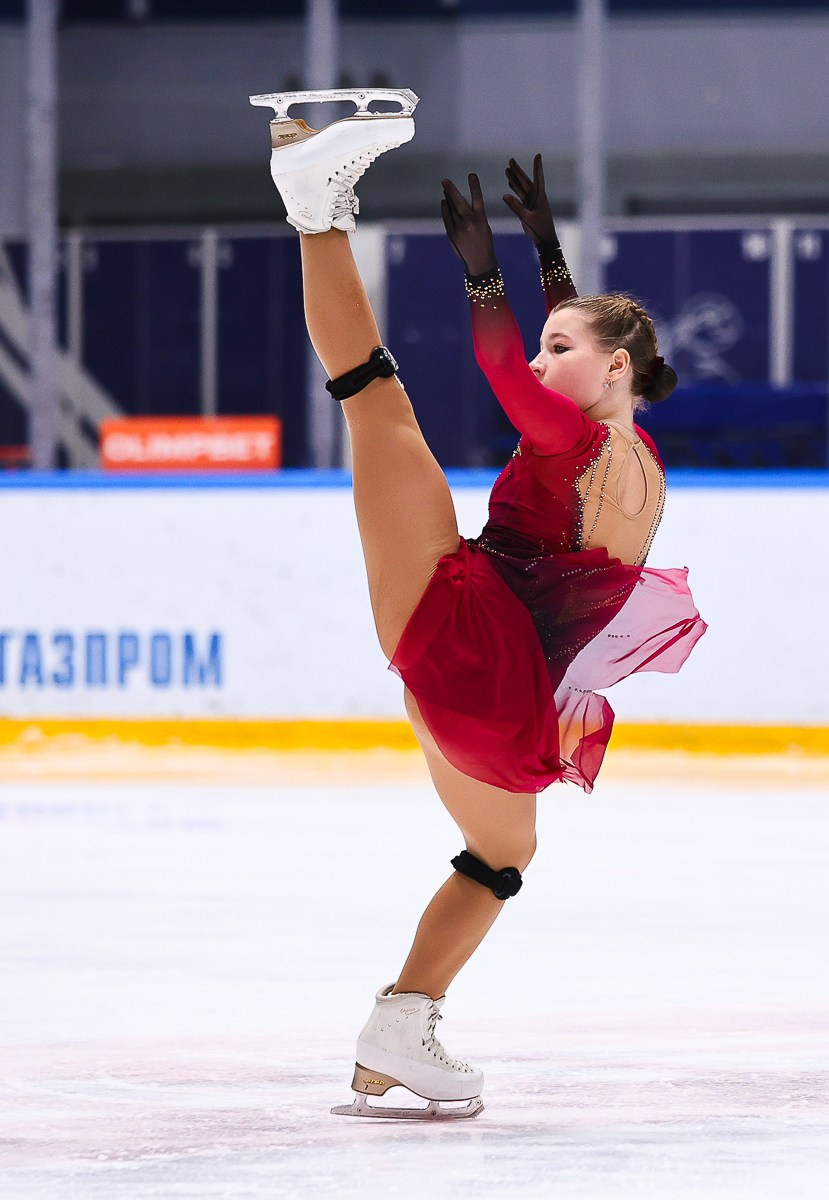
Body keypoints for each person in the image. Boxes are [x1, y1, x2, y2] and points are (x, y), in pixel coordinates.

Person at [251, 89, 707, 1120]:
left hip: (464, 623)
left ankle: (313, 205)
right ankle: (400, 1028)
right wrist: (550, 250)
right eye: (547, 345)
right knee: (505, 855)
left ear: (613, 366)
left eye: (562, 349)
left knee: (374, 394)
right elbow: (585, 342)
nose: (543, 361)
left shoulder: (569, 438)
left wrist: (487, 275)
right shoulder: (633, 447)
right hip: (503, 695)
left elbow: (506, 361)